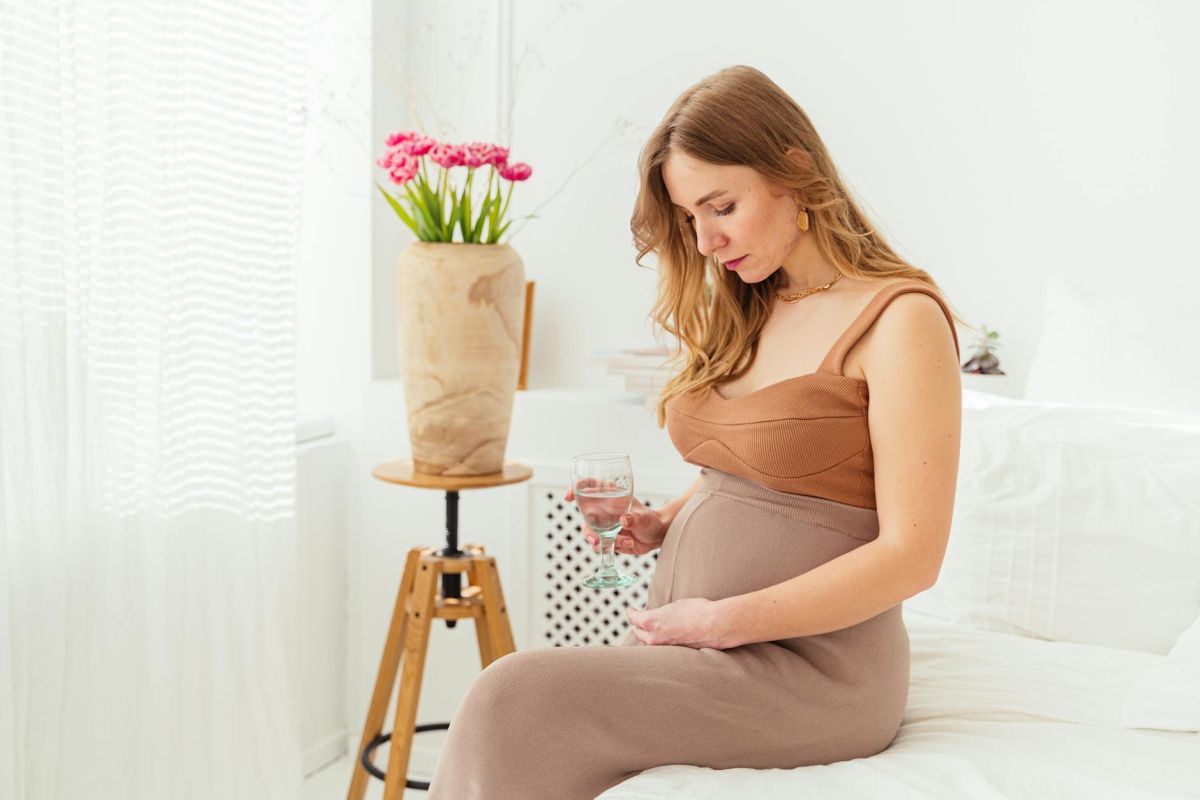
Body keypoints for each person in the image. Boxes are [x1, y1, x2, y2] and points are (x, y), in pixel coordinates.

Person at [428, 64, 963, 800]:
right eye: (689, 219)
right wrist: (664, 521)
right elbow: (749, 471)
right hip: (707, 648)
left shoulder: (901, 319)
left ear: (795, 171)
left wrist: (721, 622)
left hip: (813, 673)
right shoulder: (752, 305)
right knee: (526, 729)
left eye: (722, 206)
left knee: (509, 693)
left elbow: (914, 555)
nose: (706, 241)